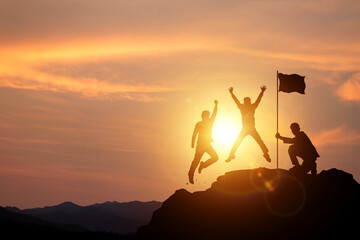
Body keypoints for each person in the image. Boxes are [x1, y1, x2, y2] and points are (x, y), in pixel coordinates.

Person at [226, 86, 271, 163]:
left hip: (250, 128)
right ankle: (231, 155)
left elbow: (258, 100)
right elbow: (237, 101)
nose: (246, 103)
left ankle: (266, 154)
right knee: (239, 141)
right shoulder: (247, 107)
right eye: (246, 102)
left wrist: (262, 92)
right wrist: (232, 94)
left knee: (258, 141)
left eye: (247, 102)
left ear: (248, 102)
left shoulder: (248, 107)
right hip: (246, 128)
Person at [188, 100, 219, 184]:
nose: (206, 117)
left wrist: (216, 105)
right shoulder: (199, 124)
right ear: (202, 116)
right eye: (205, 115)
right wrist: (192, 143)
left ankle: (203, 165)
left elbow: (214, 114)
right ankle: (190, 174)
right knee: (196, 160)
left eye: (207, 115)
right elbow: (194, 134)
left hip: (207, 145)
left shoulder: (210, 122)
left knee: (215, 157)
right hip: (200, 145)